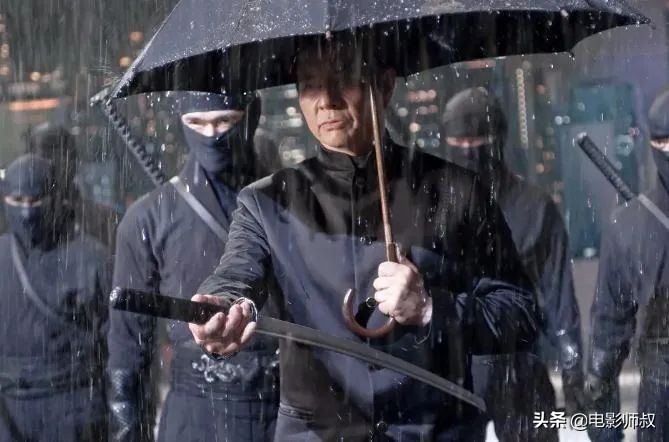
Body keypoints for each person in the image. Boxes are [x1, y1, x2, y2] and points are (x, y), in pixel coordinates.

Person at [189, 34, 539, 441]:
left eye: (343, 78)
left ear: (385, 86)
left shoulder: (458, 191)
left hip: (436, 431)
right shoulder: (268, 202)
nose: (327, 100)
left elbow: (522, 314)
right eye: (310, 85)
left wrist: (431, 310)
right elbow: (237, 275)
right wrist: (224, 306)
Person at [108, 92, 280, 442]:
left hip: (284, 408)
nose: (211, 134)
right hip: (197, 414)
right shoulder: (147, 218)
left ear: (250, 117)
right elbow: (128, 352)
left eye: (225, 121)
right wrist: (128, 431)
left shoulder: (291, 203)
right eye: (196, 123)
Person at [441, 87, 585, 441]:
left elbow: (560, 303)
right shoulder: (533, 206)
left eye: (475, 141)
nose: (467, 150)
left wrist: (574, 378)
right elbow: (560, 306)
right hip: (475, 368)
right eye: (459, 142)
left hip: (495, 367)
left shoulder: (534, 208)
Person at [0, 154, 110, 441]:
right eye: (18, 201)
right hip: (9, 409)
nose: (27, 213)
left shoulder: (90, 259)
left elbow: (117, 341)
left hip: (72, 405)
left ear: (54, 200)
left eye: (36, 201)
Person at [586, 89, 669, 442]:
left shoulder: (629, 225)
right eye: (663, 142)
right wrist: (604, 425)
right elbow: (608, 330)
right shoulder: (628, 227)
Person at [26, 122, 118, 247]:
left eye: (59, 153)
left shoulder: (102, 220)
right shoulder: (101, 219)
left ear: (74, 161)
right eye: (46, 155)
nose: (52, 163)